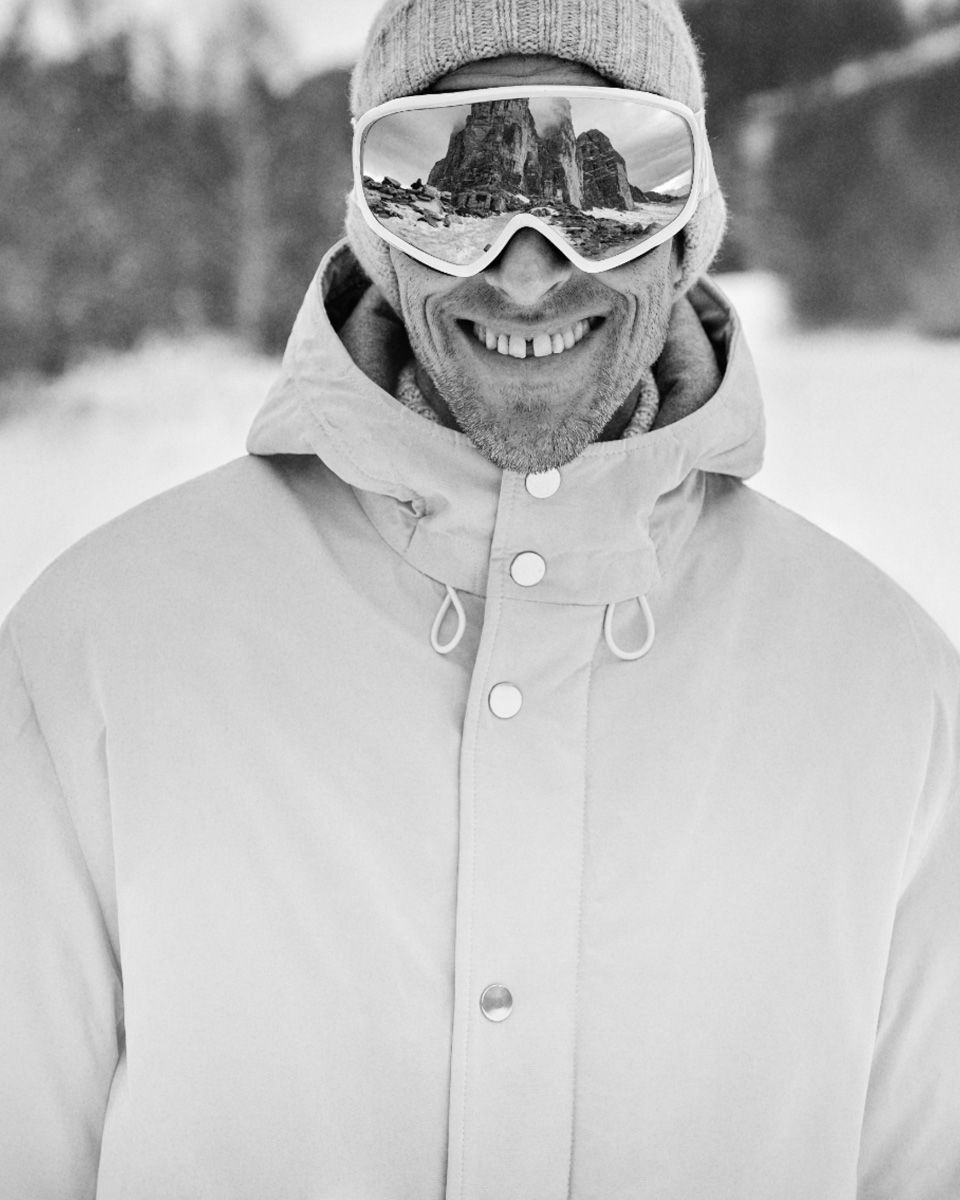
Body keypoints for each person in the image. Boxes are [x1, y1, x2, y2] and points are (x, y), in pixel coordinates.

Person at [2, 0, 958, 1196]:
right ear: (376, 235)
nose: (522, 265)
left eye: (606, 180)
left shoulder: (889, 701)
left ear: (688, 228)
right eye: (445, 188)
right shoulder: (98, 660)